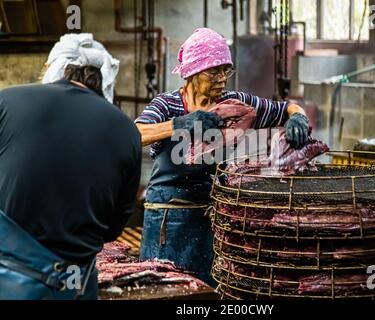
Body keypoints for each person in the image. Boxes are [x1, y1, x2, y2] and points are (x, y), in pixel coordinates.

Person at [135, 28, 309, 286]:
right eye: (214, 71)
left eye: (226, 70)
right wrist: (181, 124)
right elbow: (134, 133)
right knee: (163, 289)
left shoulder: (234, 104)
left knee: (210, 290)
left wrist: (298, 118)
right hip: (166, 221)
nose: (222, 79)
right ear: (193, 72)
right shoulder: (167, 105)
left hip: (213, 219)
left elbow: (286, 108)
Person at [0, 33, 142, 299]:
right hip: (76, 286)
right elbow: (113, 227)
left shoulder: (7, 100)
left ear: (59, 68)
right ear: (102, 81)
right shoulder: (127, 129)